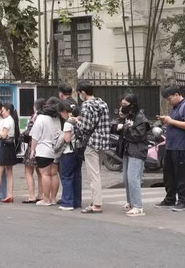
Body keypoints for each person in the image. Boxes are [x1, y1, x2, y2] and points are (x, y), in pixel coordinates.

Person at [156, 85, 185, 212]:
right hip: (171, 146)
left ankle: (183, 200)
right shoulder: (175, 108)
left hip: (182, 147)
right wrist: (166, 120)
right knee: (169, 174)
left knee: (181, 175)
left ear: (177, 94)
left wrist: (171, 121)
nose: (169, 101)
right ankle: (170, 198)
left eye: (170, 98)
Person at [75, 82, 110, 214]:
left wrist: (77, 121)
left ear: (83, 92)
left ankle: (96, 204)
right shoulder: (103, 103)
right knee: (97, 173)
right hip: (103, 142)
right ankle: (95, 200)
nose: (79, 96)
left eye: (79, 93)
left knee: (93, 175)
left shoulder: (86, 105)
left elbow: (85, 127)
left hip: (92, 143)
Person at [116, 94, 150, 216]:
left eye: (125, 105)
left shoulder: (140, 117)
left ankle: (138, 206)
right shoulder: (127, 116)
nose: (122, 106)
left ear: (132, 105)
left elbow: (137, 136)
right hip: (127, 150)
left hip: (137, 150)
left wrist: (124, 128)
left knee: (133, 178)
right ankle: (130, 202)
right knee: (126, 178)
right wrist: (122, 119)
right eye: (122, 104)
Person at [30, 97, 62, 207]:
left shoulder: (41, 118)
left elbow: (35, 136)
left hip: (43, 150)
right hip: (56, 149)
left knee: (45, 174)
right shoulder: (57, 118)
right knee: (54, 174)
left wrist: (32, 149)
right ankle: (53, 198)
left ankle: (46, 199)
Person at [57, 101, 82, 211]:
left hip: (68, 152)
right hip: (78, 152)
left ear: (63, 112)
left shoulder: (68, 123)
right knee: (77, 177)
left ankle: (67, 202)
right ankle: (77, 201)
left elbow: (67, 139)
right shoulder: (77, 120)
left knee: (67, 177)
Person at [21, 98, 45, 203]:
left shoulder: (35, 117)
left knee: (28, 172)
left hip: (33, 146)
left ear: (35, 107)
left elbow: (29, 131)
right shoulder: (47, 117)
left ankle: (31, 195)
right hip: (43, 147)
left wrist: (23, 134)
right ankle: (41, 195)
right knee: (40, 172)